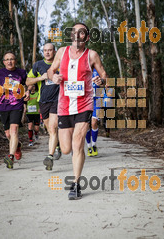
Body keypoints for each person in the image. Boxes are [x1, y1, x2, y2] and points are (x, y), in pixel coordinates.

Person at [47, 22, 107, 200]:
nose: (77, 35)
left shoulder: (92, 55)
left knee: (78, 143)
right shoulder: (62, 52)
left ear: (86, 37)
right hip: (64, 105)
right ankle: (73, 153)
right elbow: (51, 70)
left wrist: (101, 81)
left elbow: (103, 75)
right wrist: (54, 76)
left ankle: (76, 184)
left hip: (84, 104)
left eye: (82, 32)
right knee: (66, 149)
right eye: (75, 31)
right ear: (71, 35)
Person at [0, 51, 30, 169]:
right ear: (4, 62)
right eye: (7, 59)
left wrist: (28, 91)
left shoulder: (21, 72)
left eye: (12, 59)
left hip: (17, 104)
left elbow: (29, 84)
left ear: (15, 61)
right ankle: (17, 145)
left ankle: (10, 156)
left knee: (14, 129)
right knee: (8, 134)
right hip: (3, 106)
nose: (9, 61)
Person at [26, 43, 61, 170]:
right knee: (49, 129)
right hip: (43, 101)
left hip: (57, 100)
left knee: (52, 127)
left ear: (54, 51)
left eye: (50, 50)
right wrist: (41, 77)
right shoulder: (38, 65)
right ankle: (57, 145)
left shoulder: (61, 64)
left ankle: (50, 157)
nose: (47, 52)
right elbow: (28, 81)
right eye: (45, 50)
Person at [86, 68, 100, 157]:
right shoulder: (81, 68)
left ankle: (94, 145)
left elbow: (105, 80)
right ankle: (89, 146)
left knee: (94, 123)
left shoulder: (97, 69)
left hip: (97, 100)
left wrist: (104, 83)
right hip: (85, 101)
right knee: (86, 125)